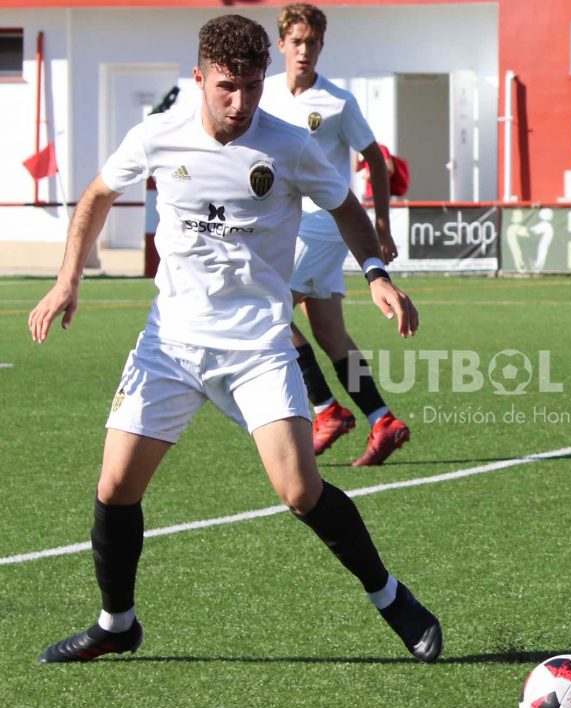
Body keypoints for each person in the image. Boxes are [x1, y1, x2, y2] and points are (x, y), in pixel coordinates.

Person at [26, 14, 441, 664]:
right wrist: (67, 280)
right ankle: (117, 621)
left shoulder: (289, 143)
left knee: (301, 492)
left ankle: (389, 595)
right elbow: (99, 193)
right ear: (198, 79)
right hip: (171, 345)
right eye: (226, 87)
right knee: (115, 488)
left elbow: (345, 205)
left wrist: (378, 274)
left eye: (251, 87)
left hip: (258, 347)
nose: (240, 102)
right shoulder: (158, 134)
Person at [261, 3, 410, 465]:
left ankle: (325, 409)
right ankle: (382, 420)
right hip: (284, 223)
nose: (305, 51)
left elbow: (377, 162)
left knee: (263, 310)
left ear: (321, 46)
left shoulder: (338, 102)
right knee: (329, 333)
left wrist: (381, 225)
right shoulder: (262, 94)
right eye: (297, 41)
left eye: (313, 43)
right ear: (282, 44)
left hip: (323, 223)